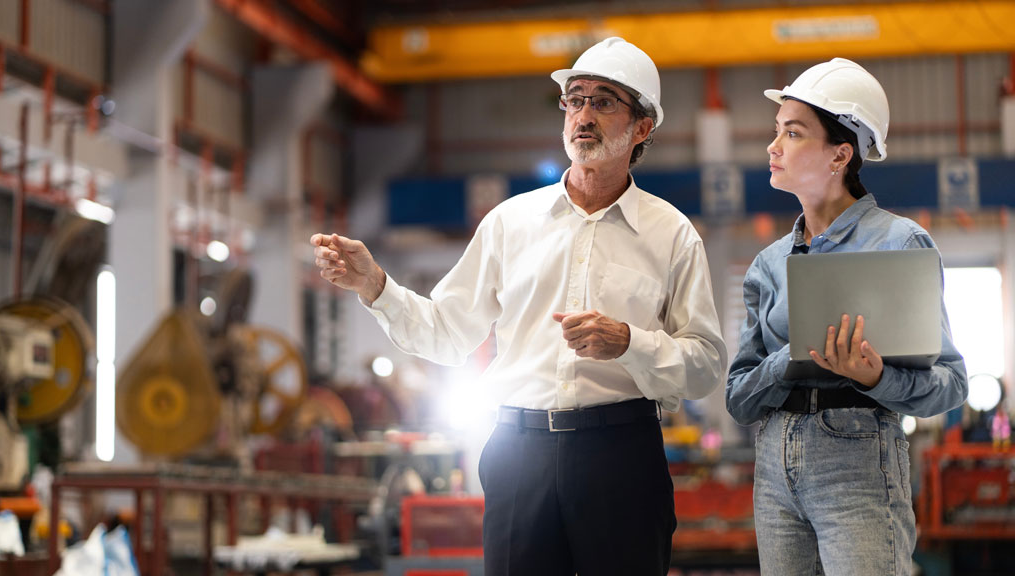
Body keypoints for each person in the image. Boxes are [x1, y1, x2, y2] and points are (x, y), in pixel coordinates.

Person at [312, 37, 727, 576]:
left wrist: (630, 342)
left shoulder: (671, 235)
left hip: (622, 453)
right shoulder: (511, 223)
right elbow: (447, 333)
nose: (582, 115)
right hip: (517, 453)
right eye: (574, 100)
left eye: (603, 102)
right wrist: (376, 286)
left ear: (642, 127)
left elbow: (705, 366)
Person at [726, 58, 969, 575]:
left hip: (857, 455)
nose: (773, 147)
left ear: (840, 154)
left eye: (792, 133)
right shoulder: (769, 265)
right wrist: (792, 359)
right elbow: (738, 398)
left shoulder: (899, 243)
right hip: (773, 459)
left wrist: (875, 376)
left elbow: (950, 385)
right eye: (777, 132)